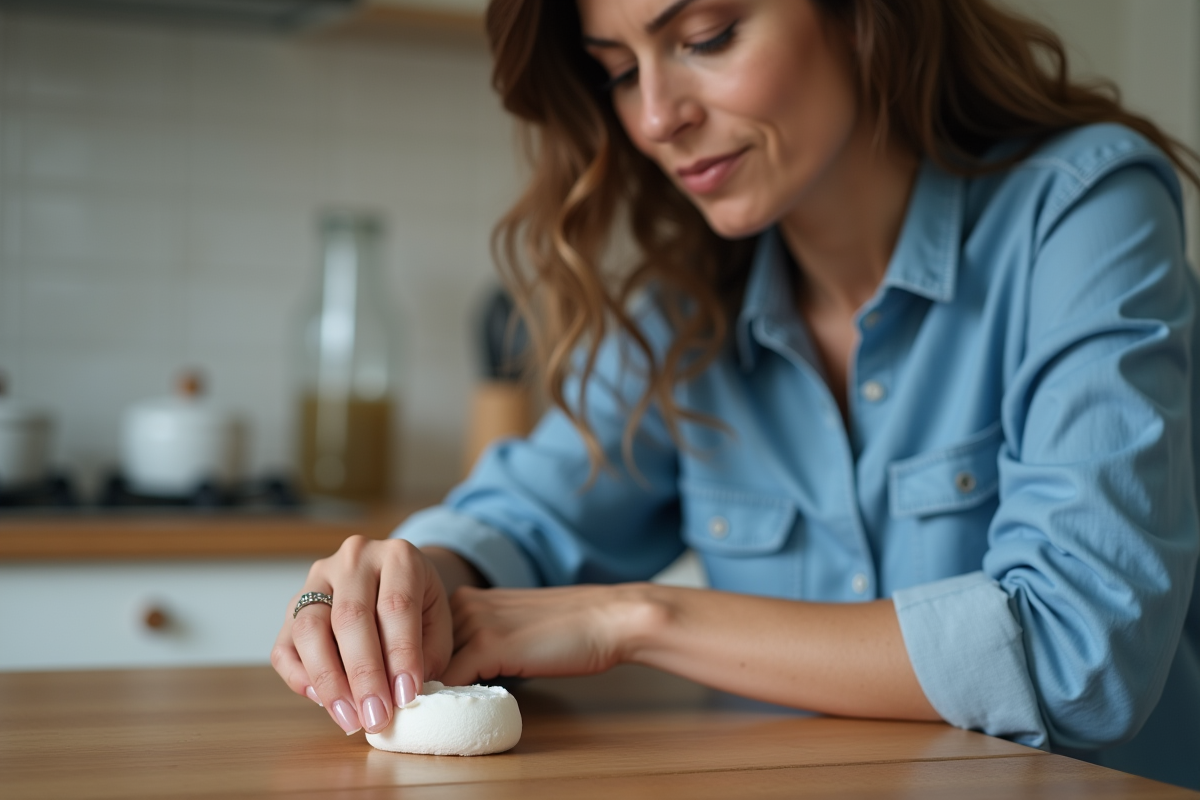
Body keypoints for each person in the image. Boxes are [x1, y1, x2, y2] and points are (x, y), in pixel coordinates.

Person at [272, 0, 1200, 789]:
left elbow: (1085, 655)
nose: (656, 117)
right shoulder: (683, 307)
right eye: (619, 71)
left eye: (705, 36)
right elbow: (525, 517)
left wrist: (635, 619)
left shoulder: (1083, 211)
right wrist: (412, 584)